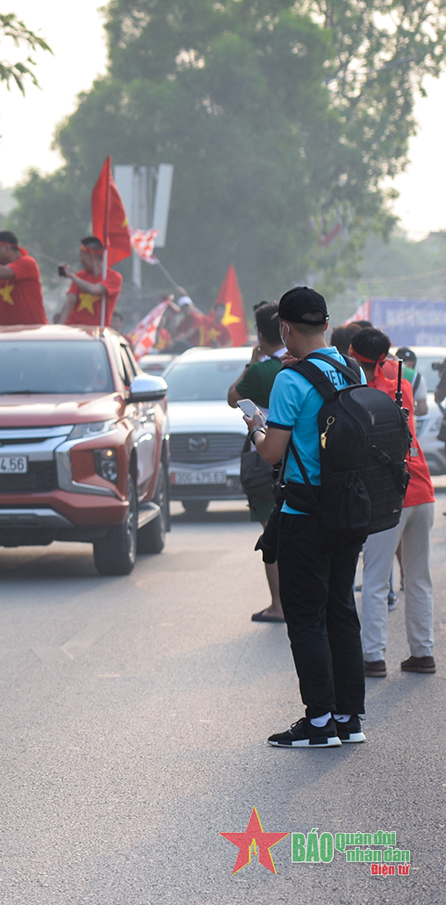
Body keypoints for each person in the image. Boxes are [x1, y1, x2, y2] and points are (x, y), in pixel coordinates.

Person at [245, 287, 367, 747]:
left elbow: (272, 452)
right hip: (348, 510)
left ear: (286, 329)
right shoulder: (348, 368)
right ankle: (348, 718)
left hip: (304, 514)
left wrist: (256, 426)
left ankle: (318, 723)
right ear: (327, 325)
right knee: (341, 609)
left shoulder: (289, 381)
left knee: (306, 617)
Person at [351, 325, 435, 677]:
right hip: (422, 488)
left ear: (355, 357)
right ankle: (423, 652)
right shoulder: (400, 384)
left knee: (374, 577)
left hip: (388, 495)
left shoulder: (358, 393)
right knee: (418, 577)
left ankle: (372, 657)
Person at [228, 301, 288, 622]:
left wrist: (252, 363)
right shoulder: (301, 364)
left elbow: (232, 396)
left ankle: (278, 605)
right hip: (303, 461)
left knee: (272, 534)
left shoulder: (263, 371)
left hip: (267, 461)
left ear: (260, 334)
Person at [56, 236, 123, 328]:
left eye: (82, 255)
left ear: (91, 256)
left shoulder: (114, 277)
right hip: (75, 330)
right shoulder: (80, 276)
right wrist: (59, 327)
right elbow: (70, 302)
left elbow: (94, 290)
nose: (80, 259)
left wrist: (71, 276)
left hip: (97, 333)